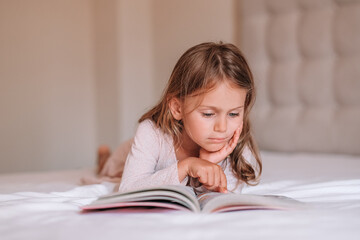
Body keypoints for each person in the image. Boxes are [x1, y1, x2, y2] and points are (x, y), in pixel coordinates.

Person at [94, 42, 262, 194]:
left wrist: (207, 162)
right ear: (177, 108)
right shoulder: (151, 133)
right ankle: (103, 157)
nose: (223, 128)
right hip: (126, 154)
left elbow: (229, 191)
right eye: (208, 114)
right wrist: (188, 165)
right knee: (108, 169)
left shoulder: (237, 140)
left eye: (233, 114)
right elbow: (129, 188)